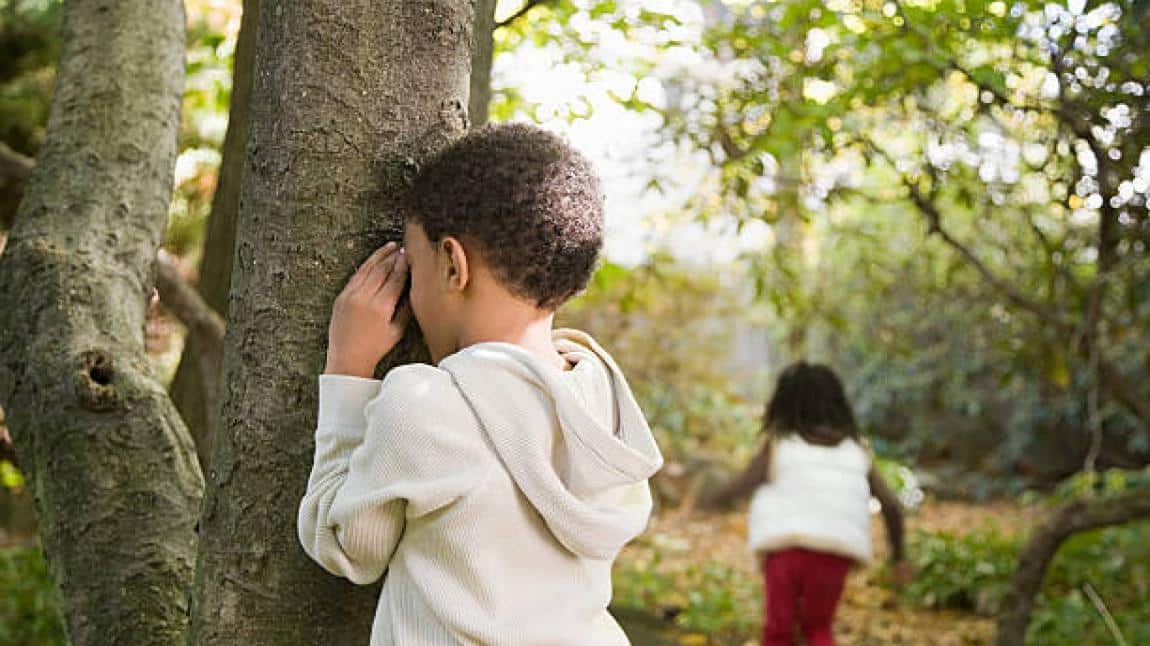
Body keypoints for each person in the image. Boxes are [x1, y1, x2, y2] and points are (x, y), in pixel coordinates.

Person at [296, 123, 663, 645]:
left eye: (414, 269)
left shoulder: (426, 404)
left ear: (452, 264)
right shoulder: (600, 395)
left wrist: (348, 371)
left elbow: (347, 547)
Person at [705, 361, 908, 646]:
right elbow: (891, 506)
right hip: (836, 550)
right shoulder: (856, 451)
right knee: (818, 626)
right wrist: (899, 557)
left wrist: (708, 499)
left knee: (779, 629)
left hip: (786, 548)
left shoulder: (779, 444)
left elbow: (742, 485)